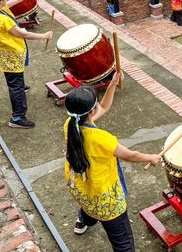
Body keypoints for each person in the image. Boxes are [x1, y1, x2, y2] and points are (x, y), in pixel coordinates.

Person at [64, 80, 161, 249]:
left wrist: (111, 86)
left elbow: (104, 107)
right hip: (105, 199)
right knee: (123, 243)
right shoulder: (101, 138)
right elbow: (131, 155)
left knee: (89, 208)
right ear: (92, 111)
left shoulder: (70, 125)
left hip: (82, 189)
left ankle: (82, 220)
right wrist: (151, 157)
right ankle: (85, 219)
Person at [0, 0, 52, 128]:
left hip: (5, 50)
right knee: (15, 86)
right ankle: (17, 117)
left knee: (15, 81)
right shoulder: (2, 19)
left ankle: (20, 85)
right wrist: (44, 36)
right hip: (10, 53)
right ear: (0, 0)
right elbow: (23, 34)